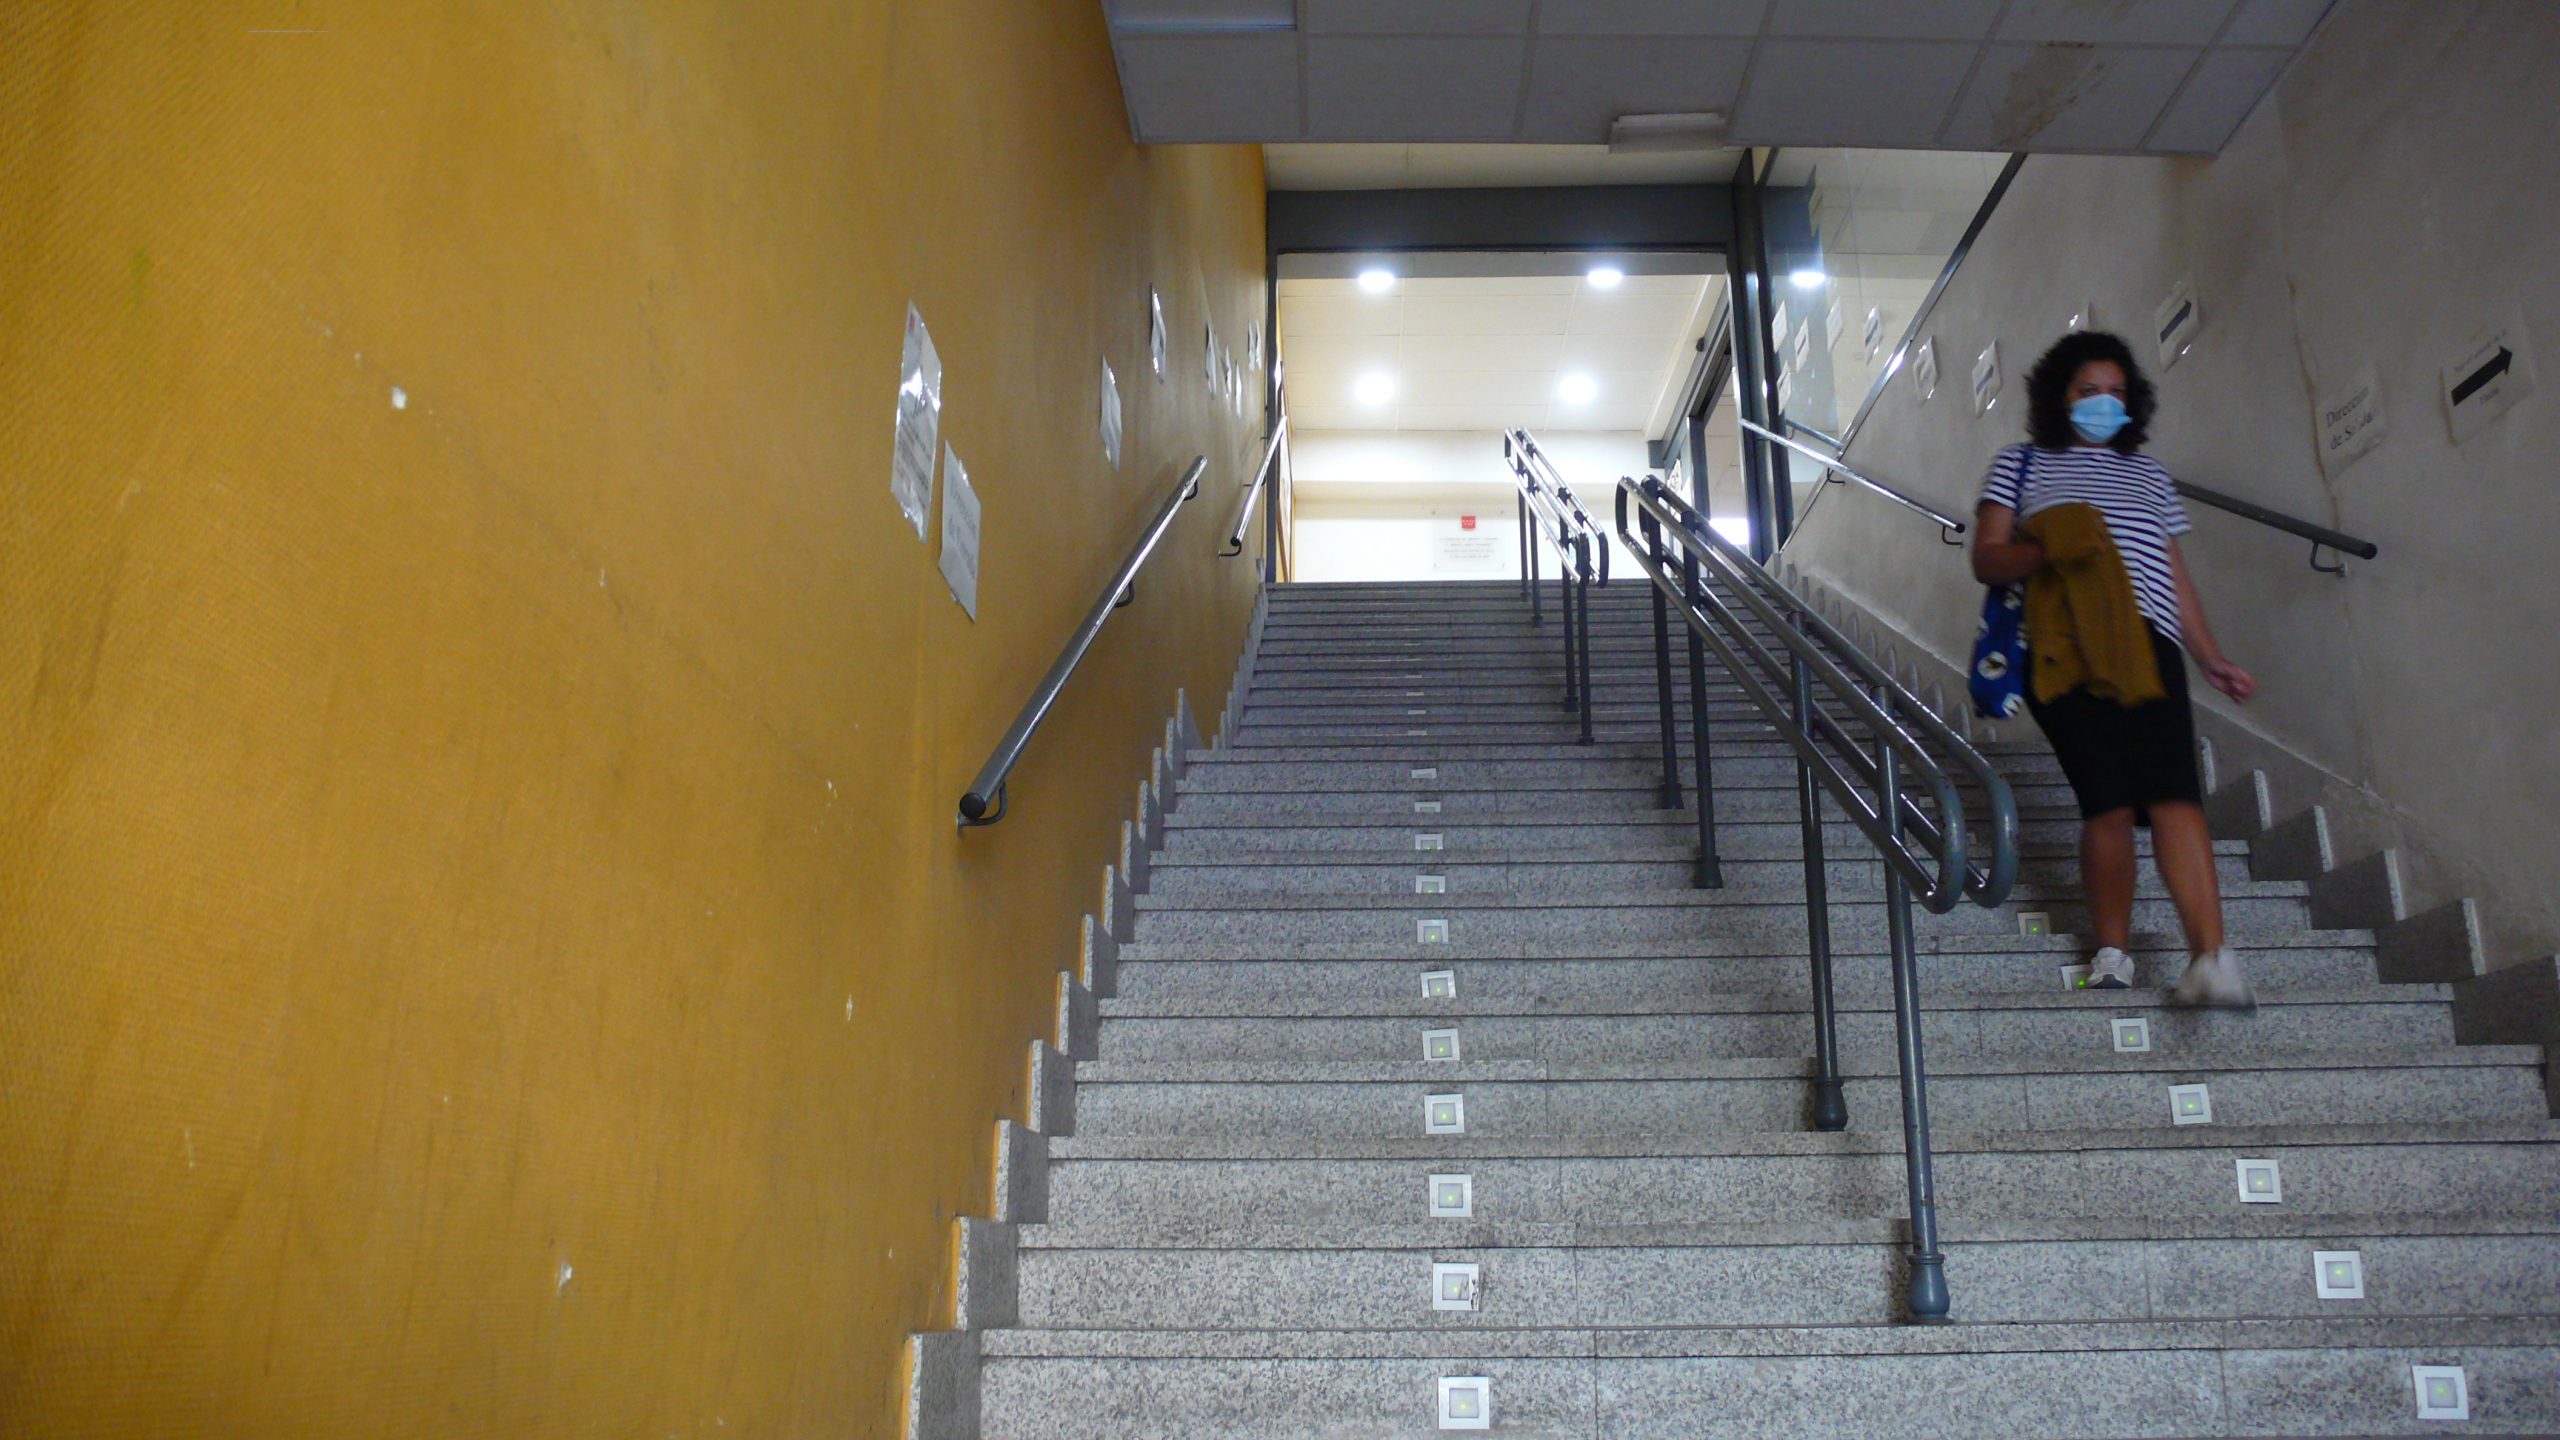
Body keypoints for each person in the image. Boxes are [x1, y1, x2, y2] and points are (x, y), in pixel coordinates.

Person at [1969, 331, 2258, 1006]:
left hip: (2148, 647)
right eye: (2088, 391)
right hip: (2061, 649)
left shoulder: (2149, 475)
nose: (2105, 403)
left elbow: (2172, 575)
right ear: (2059, 397)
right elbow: (1987, 558)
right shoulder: (2021, 464)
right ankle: (2113, 952)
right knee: (2107, 799)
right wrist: (2053, 547)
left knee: (2174, 795)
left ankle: (2212, 958)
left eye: (2117, 392)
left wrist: (2209, 656)